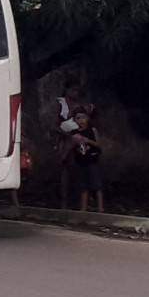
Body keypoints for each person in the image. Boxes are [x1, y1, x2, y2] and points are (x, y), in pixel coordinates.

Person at [52, 79, 96, 209]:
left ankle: (83, 202)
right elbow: (53, 126)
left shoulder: (82, 104)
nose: (76, 93)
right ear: (66, 90)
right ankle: (64, 203)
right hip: (67, 141)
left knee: (84, 171)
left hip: (83, 140)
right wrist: (68, 134)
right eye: (73, 90)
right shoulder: (60, 104)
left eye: (78, 90)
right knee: (67, 172)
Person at [70, 106, 103, 212]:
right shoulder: (74, 133)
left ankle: (100, 207)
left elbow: (99, 145)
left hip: (93, 160)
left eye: (83, 118)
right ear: (74, 120)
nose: (81, 121)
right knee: (82, 184)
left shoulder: (92, 130)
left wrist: (88, 141)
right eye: (78, 118)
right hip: (80, 160)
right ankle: (84, 208)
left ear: (87, 118)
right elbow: (72, 147)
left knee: (96, 183)